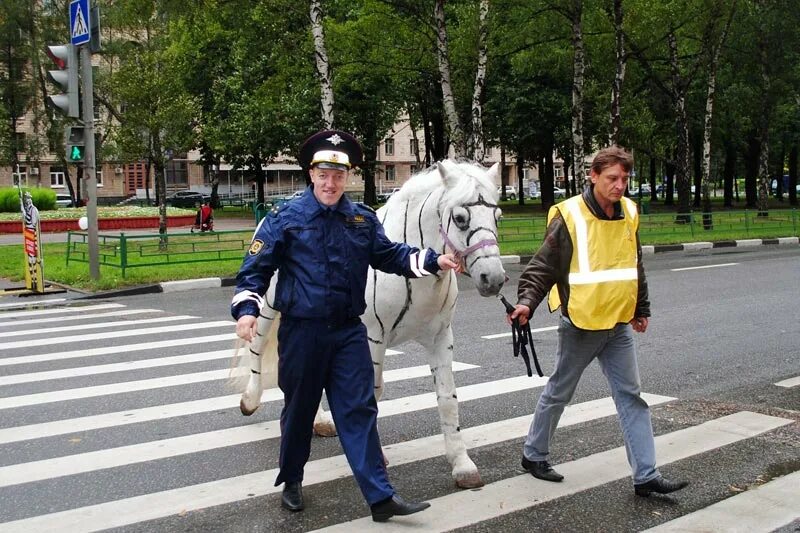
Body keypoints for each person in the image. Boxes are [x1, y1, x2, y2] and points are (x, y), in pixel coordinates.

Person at [231, 130, 462, 520]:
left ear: (348, 177)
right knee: (300, 411)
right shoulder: (284, 218)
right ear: (311, 174)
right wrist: (248, 311)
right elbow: (255, 271)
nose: (330, 182)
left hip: (348, 332)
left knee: (358, 410)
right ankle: (291, 479)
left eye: (338, 175)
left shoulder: (361, 219)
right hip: (302, 333)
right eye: (323, 174)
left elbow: (389, 255)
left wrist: (432, 261)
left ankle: (380, 497)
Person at [507, 146, 688, 497]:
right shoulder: (570, 215)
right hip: (582, 324)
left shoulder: (630, 213)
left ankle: (646, 475)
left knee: (631, 397)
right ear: (593, 176)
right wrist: (526, 302)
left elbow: (633, 266)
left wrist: (641, 308)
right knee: (560, 392)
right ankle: (533, 454)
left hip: (618, 323)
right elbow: (543, 266)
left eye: (624, 178)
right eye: (612, 178)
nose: (620, 185)